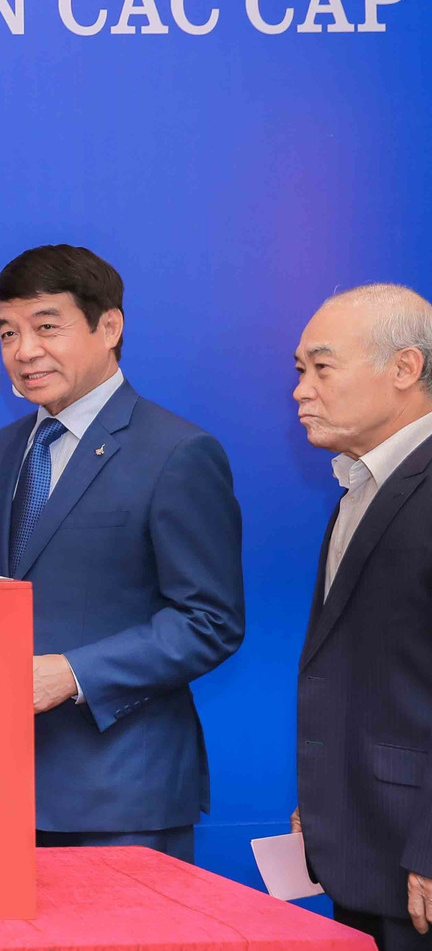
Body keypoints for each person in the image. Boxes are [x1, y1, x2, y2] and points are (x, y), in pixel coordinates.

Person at [0, 244, 243, 863]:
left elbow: (210, 621)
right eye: (8, 333)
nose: (24, 350)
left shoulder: (177, 452)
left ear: (109, 327)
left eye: (46, 326)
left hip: (122, 793)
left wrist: (72, 673)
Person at [290, 284, 432, 949]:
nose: (301, 390)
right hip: (363, 846)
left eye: (322, 367)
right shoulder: (360, 482)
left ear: (404, 369)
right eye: (300, 371)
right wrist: (322, 800)